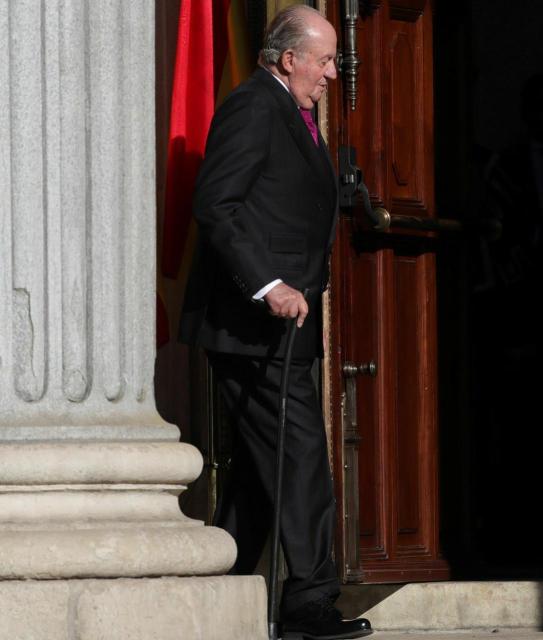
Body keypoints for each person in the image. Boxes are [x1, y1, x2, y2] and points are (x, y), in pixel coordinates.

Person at [179, 6, 371, 638]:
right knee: (300, 454)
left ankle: (225, 589)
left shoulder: (294, 112)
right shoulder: (255, 106)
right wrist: (268, 284)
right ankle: (309, 602)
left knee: (267, 466)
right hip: (253, 322)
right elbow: (218, 202)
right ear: (289, 59)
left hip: (280, 328)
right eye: (323, 61)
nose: (331, 74)